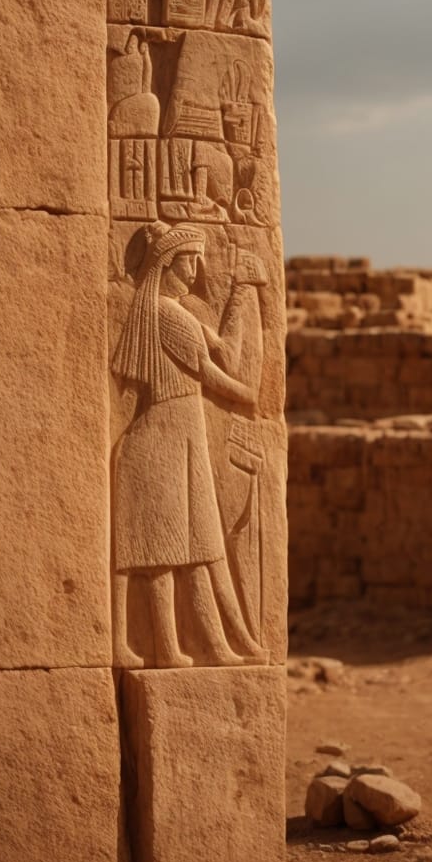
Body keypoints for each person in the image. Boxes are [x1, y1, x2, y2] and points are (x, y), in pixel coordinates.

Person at [111, 222, 266, 669]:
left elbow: (226, 353)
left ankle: (214, 644)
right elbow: (214, 373)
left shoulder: (177, 313)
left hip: (181, 430)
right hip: (166, 432)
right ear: (166, 264)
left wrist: (239, 294)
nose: (196, 270)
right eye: (189, 260)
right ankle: (171, 647)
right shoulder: (167, 314)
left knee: (195, 545)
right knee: (167, 548)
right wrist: (247, 395)